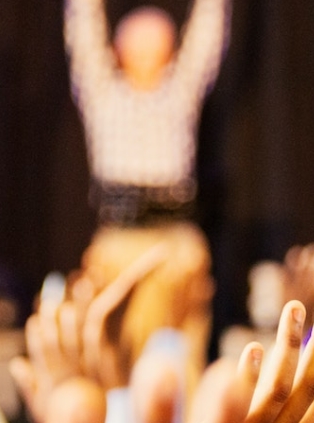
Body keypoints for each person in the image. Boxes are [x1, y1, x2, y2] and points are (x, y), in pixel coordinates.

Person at [65, 0, 231, 387]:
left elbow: (209, 34)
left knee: (180, 360)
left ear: (170, 51)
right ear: (118, 52)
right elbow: (83, 29)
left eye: (156, 44)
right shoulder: (103, 93)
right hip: (120, 241)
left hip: (175, 243)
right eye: (138, 44)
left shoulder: (179, 93)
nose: (146, 53)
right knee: (118, 356)